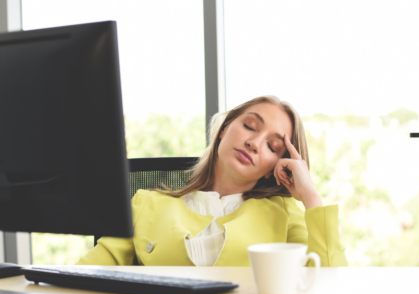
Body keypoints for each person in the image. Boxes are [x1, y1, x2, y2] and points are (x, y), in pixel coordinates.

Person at [77, 96, 348, 267]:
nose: (254, 143)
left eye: (272, 146)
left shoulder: (284, 214)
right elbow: (87, 275)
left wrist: (311, 196)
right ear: (223, 130)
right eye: (250, 127)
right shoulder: (145, 204)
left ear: (273, 168)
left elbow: (330, 285)